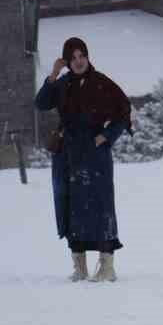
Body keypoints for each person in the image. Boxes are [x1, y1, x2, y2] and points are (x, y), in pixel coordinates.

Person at [34, 36, 131, 282]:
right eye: (73, 58)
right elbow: (41, 103)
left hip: (95, 155)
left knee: (100, 207)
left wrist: (106, 136)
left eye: (82, 56)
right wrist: (53, 74)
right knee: (72, 207)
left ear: (88, 56)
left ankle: (107, 268)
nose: (78, 61)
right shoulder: (62, 83)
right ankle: (80, 268)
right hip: (68, 154)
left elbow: (123, 111)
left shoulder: (101, 83)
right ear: (67, 61)